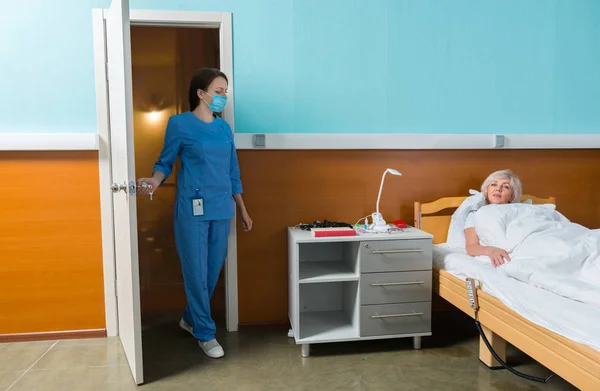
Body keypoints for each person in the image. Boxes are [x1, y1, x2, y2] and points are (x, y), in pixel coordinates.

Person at [136, 68, 252, 359]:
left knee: (211, 271)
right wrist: (154, 180)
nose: (223, 96)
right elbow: (165, 162)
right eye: (218, 90)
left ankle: (189, 318)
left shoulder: (224, 129)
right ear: (201, 93)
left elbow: (232, 172)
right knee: (195, 272)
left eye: (226, 91)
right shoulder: (179, 124)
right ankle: (205, 332)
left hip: (222, 207)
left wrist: (242, 209)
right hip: (193, 209)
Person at [464, 169, 522, 268]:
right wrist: (491, 250)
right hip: (506, 255)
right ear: (486, 191)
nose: (498, 189)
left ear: (512, 195)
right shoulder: (476, 215)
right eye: (494, 184)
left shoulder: (521, 210)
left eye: (506, 187)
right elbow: (471, 247)